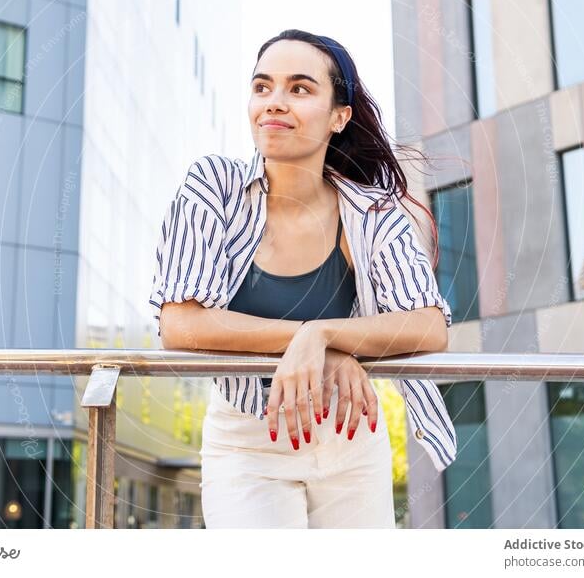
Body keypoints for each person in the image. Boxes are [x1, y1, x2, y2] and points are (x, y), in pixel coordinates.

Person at [148, 29, 456, 528]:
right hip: (249, 439)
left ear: (340, 117)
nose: (274, 102)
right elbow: (180, 325)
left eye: (300, 88)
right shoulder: (214, 186)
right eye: (263, 86)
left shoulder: (370, 212)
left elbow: (427, 326)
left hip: (350, 436)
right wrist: (313, 345)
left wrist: (325, 333)